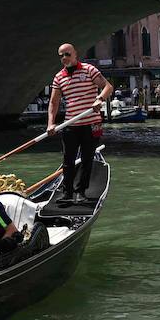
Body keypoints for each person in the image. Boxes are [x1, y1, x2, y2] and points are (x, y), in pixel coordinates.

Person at [47, 43, 113, 205]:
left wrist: (100, 99)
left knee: (87, 159)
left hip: (91, 123)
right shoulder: (59, 77)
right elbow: (54, 103)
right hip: (70, 124)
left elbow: (107, 87)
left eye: (67, 54)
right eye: (61, 55)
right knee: (68, 161)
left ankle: (80, 192)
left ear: (75, 54)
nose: (64, 58)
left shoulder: (89, 70)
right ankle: (67, 192)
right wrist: (51, 123)